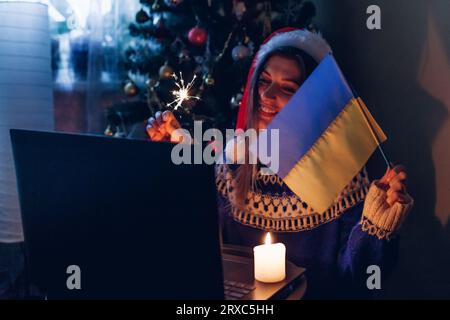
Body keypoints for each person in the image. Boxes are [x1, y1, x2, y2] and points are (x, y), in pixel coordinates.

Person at [146, 28, 414, 299]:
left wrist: (377, 226)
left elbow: (356, 279)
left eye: (287, 87)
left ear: (311, 101)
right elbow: (192, 244)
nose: (267, 94)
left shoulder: (340, 175)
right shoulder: (233, 165)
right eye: (264, 81)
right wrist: (170, 160)